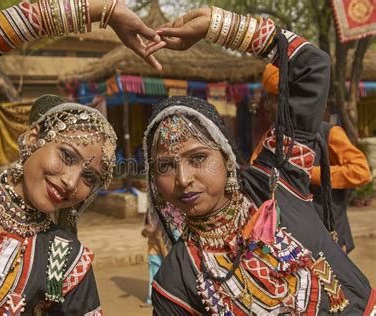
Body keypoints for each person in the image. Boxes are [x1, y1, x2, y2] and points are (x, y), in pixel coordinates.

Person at [0, 0, 163, 314]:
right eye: (66, 156)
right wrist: (101, 10)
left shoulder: (67, 262)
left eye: (89, 178)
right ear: (32, 138)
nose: (70, 181)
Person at [143, 6, 376, 314]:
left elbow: (310, 67)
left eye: (198, 158)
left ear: (227, 158)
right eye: (165, 166)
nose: (183, 178)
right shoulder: (175, 281)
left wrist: (219, 26)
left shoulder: (275, 180)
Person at [252, 64, 372, 253]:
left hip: (329, 233)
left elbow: (361, 172)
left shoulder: (328, 133)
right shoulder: (270, 139)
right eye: (271, 101)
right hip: (290, 239)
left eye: (278, 101)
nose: (271, 107)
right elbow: (255, 176)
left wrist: (308, 173)